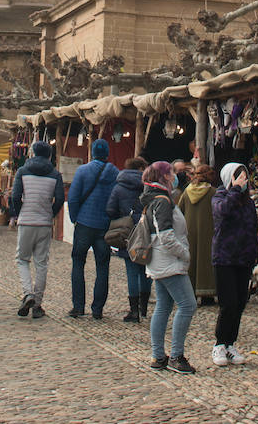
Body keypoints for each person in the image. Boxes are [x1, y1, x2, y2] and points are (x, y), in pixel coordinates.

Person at [141, 161, 196, 374]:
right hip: (168, 261)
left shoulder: (154, 198)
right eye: (172, 172)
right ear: (164, 176)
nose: (175, 176)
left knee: (163, 305)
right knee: (187, 305)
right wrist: (184, 253)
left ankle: (158, 355)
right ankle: (176, 356)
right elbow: (165, 236)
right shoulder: (163, 200)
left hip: (159, 260)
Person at [211, 162, 258, 367]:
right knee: (228, 303)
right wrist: (235, 190)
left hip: (244, 257)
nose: (242, 181)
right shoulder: (220, 196)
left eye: (244, 177)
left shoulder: (248, 202)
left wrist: (255, 249)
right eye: (238, 177)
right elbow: (223, 212)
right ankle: (219, 343)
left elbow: (252, 226)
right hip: (225, 257)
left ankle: (231, 343)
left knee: (240, 303)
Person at [11, 141, 64, 319]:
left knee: (22, 259)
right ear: (49, 155)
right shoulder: (55, 174)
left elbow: (16, 196)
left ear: (32, 153)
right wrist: (51, 214)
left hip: (27, 220)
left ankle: (28, 294)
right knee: (41, 263)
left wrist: (19, 214)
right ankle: (38, 304)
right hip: (44, 222)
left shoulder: (22, 171)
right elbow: (60, 198)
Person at [67, 139, 118, 320]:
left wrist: (75, 219)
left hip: (84, 223)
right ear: (107, 153)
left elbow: (73, 198)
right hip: (104, 225)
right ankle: (98, 309)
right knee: (103, 267)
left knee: (78, 263)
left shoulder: (83, 171)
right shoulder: (114, 172)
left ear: (93, 152)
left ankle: (78, 306)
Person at [107, 156, 150, 323]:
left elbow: (110, 209)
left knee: (131, 271)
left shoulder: (119, 187)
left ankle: (134, 311)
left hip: (127, 231)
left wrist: (121, 217)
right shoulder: (148, 186)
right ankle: (144, 307)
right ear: (141, 168)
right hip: (146, 229)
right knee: (145, 270)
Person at [176, 164, 218, 304]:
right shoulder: (213, 193)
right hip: (208, 232)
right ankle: (207, 294)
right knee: (206, 261)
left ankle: (190, 292)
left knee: (191, 260)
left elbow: (179, 211)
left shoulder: (187, 192)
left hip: (189, 232)